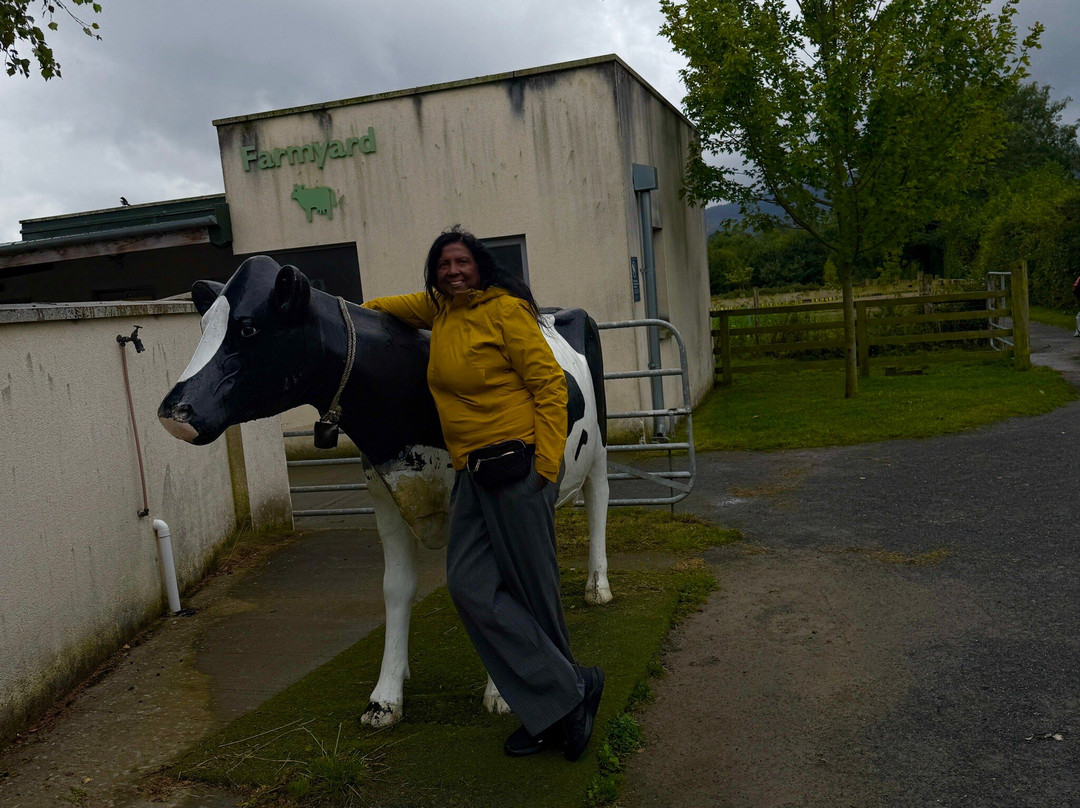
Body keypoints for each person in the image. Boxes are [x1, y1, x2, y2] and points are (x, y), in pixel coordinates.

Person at [362, 226, 604, 761]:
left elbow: (548, 386)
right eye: (444, 264)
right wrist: (335, 311)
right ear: (435, 273)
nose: (453, 271)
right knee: (468, 585)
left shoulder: (505, 312)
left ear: (481, 267)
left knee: (532, 591)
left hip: (519, 467)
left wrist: (546, 467)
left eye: (462, 263)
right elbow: (378, 307)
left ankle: (554, 715)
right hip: (472, 473)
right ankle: (571, 690)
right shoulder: (440, 311)